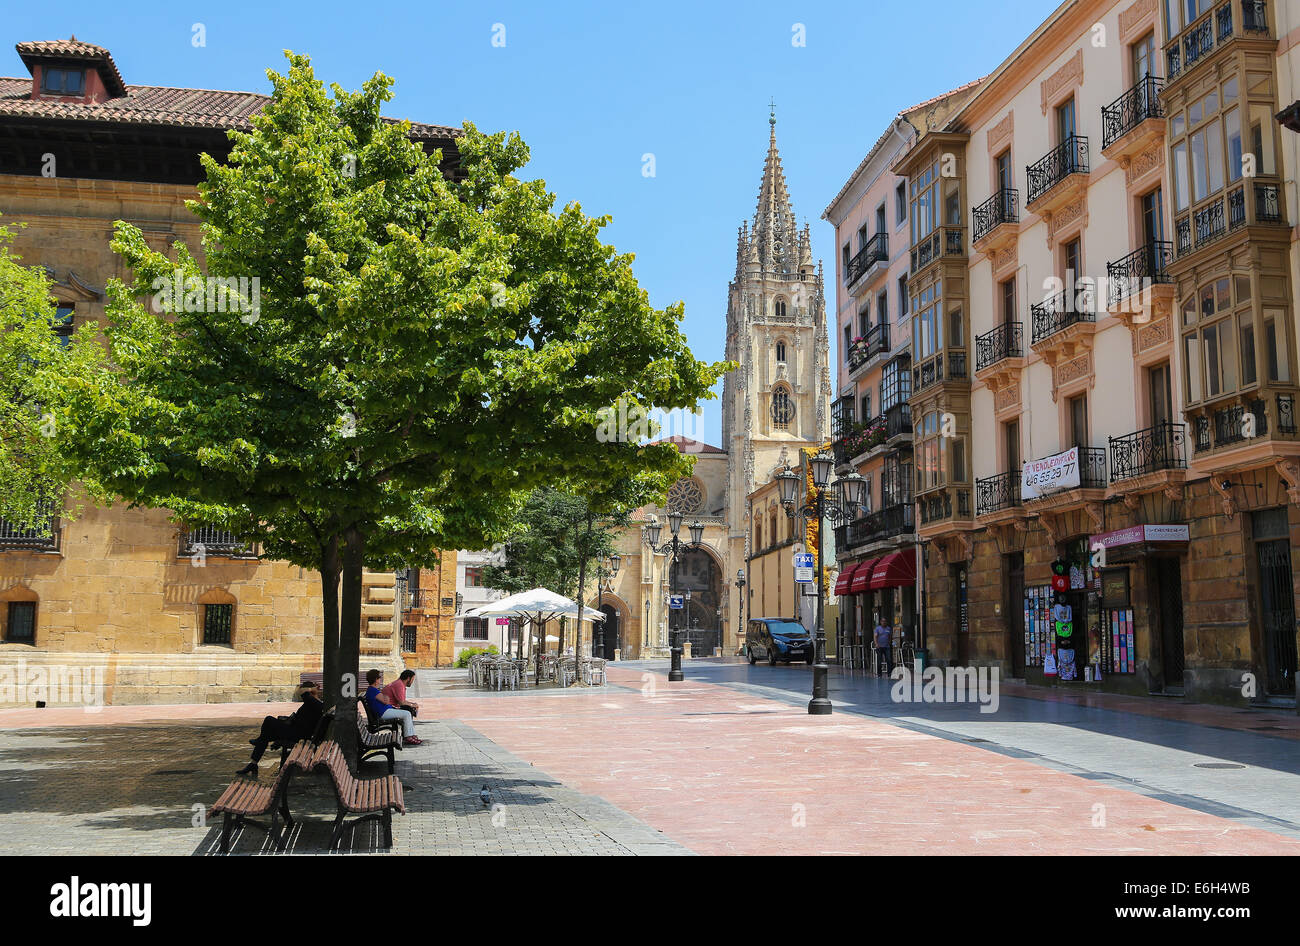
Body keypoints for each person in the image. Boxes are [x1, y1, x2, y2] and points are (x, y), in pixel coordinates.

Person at [236, 681, 324, 777]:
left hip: (298, 735)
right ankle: (253, 763)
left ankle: (254, 759)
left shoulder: (315, 704)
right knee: (265, 735)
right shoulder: (314, 703)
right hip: (295, 731)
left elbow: (302, 692)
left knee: (269, 720)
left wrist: (312, 689)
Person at [365, 669, 421, 746]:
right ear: (375, 680)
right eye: (379, 678)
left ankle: (410, 734)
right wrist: (386, 698)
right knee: (407, 714)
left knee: (406, 712)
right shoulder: (373, 690)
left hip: (384, 711)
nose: (380, 680)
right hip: (383, 712)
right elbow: (386, 700)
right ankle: (408, 737)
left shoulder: (372, 690)